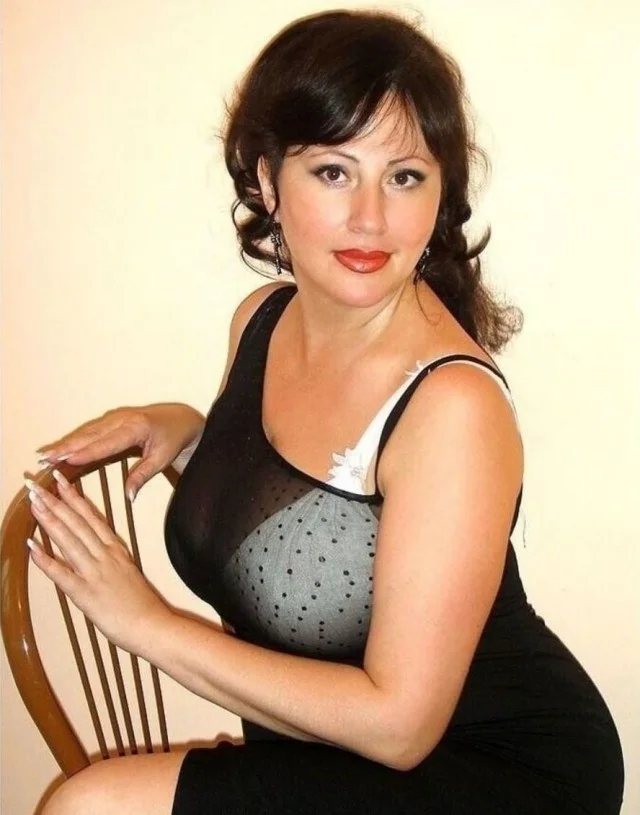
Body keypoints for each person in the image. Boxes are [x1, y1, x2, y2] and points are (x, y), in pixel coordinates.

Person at [26, 9, 623, 815]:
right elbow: (302, 534)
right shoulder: (262, 322)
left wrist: (146, 623)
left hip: (487, 768)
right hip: (332, 747)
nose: (371, 217)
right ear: (269, 181)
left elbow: (401, 725)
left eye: (404, 177)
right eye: (335, 172)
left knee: (89, 805)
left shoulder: (453, 408)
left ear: (441, 194)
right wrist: (192, 434)